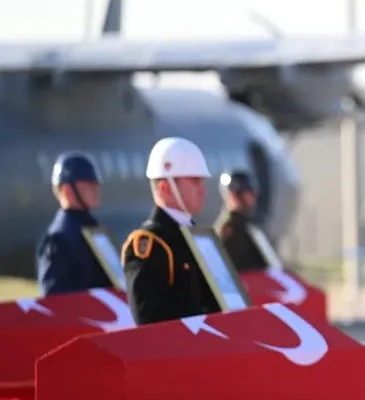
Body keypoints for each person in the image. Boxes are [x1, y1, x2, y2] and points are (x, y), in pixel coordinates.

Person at [121, 137, 222, 325]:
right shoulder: (151, 243)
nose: (203, 190)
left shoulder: (198, 235)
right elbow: (149, 325)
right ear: (165, 188)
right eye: (195, 181)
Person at [36, 152, 115, 296]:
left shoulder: (93, 228)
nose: (96, 189)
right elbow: (54, 299)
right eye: (88, 185)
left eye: (95, 184)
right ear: (67, 191)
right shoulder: (58, 240)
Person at [214, 170, 270, 272]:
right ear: (234, 195)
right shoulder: (230, 228)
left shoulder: (248, 225)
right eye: (248, 193)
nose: (253, 198)